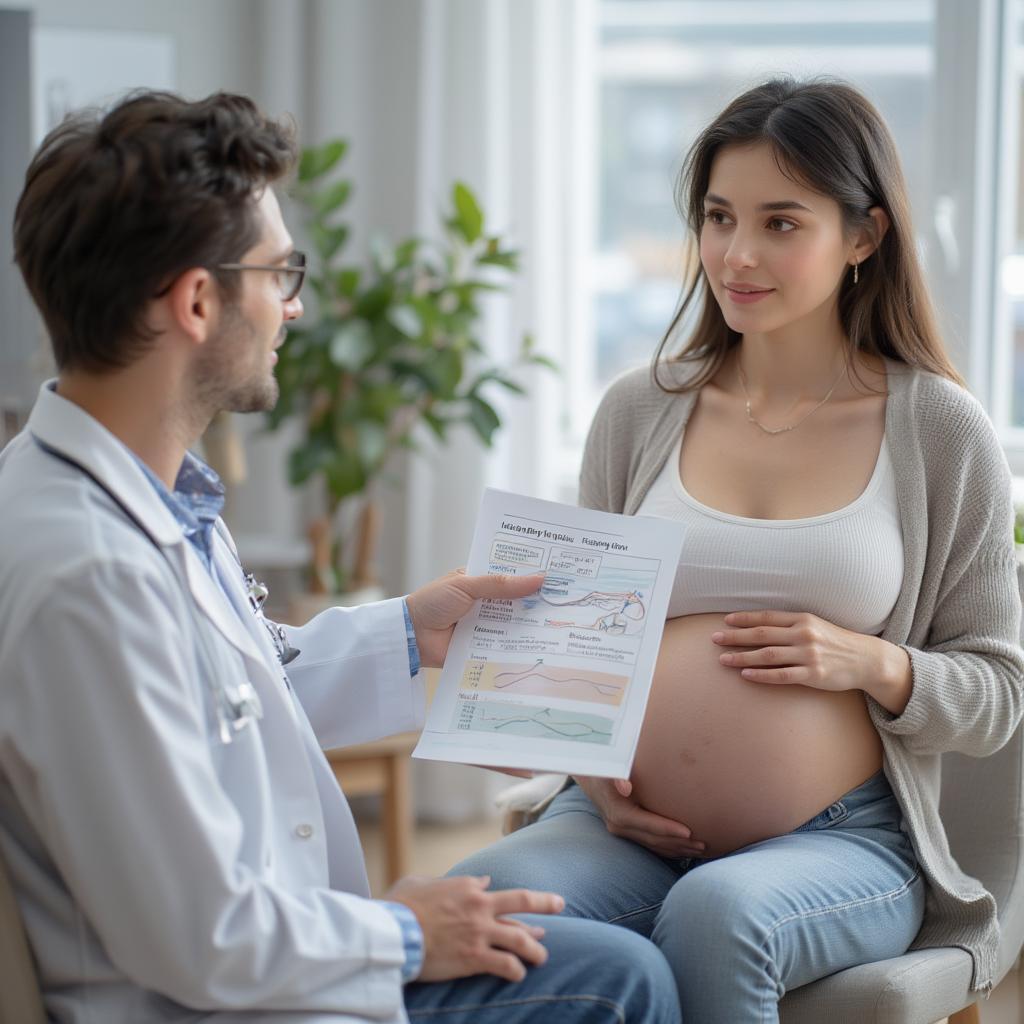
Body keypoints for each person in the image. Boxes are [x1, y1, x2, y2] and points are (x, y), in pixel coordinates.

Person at [0, 91, 681, 1024]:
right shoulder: (90, 577)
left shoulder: (123, 497)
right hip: (230, 1000)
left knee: (591, 956)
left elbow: (232, 700)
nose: (297, 305)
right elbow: (200, 939)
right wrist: (407, 930)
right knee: (616, 982)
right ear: (199, 301)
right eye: (280, 274)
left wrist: (409, 630)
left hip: (274, 968)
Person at [451, 77, 1024, 1021]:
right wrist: (590, 766)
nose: (737, 254)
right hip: (619, 826)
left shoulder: (941, 431)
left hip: (843, 839)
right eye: (718, 218)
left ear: (865, 236)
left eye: (781, 223)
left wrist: (870, 661)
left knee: (720, 915)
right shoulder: (641, 408)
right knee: (472, 909)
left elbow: (998, 697)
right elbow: (571, 643)